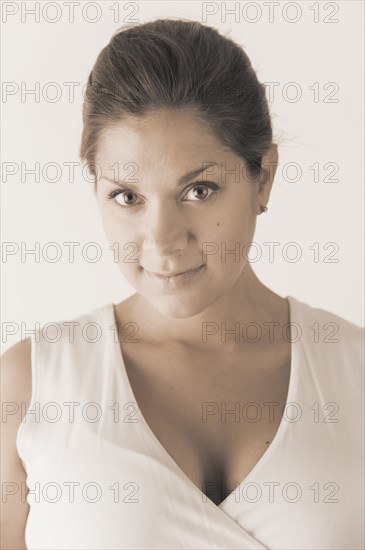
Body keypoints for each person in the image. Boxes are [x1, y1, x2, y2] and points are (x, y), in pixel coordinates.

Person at [1, 18, 363, 550]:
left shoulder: (356, 372)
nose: (163, 241)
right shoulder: (28, 386)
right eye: (128, 197)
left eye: (199, 189)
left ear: (263, 176)